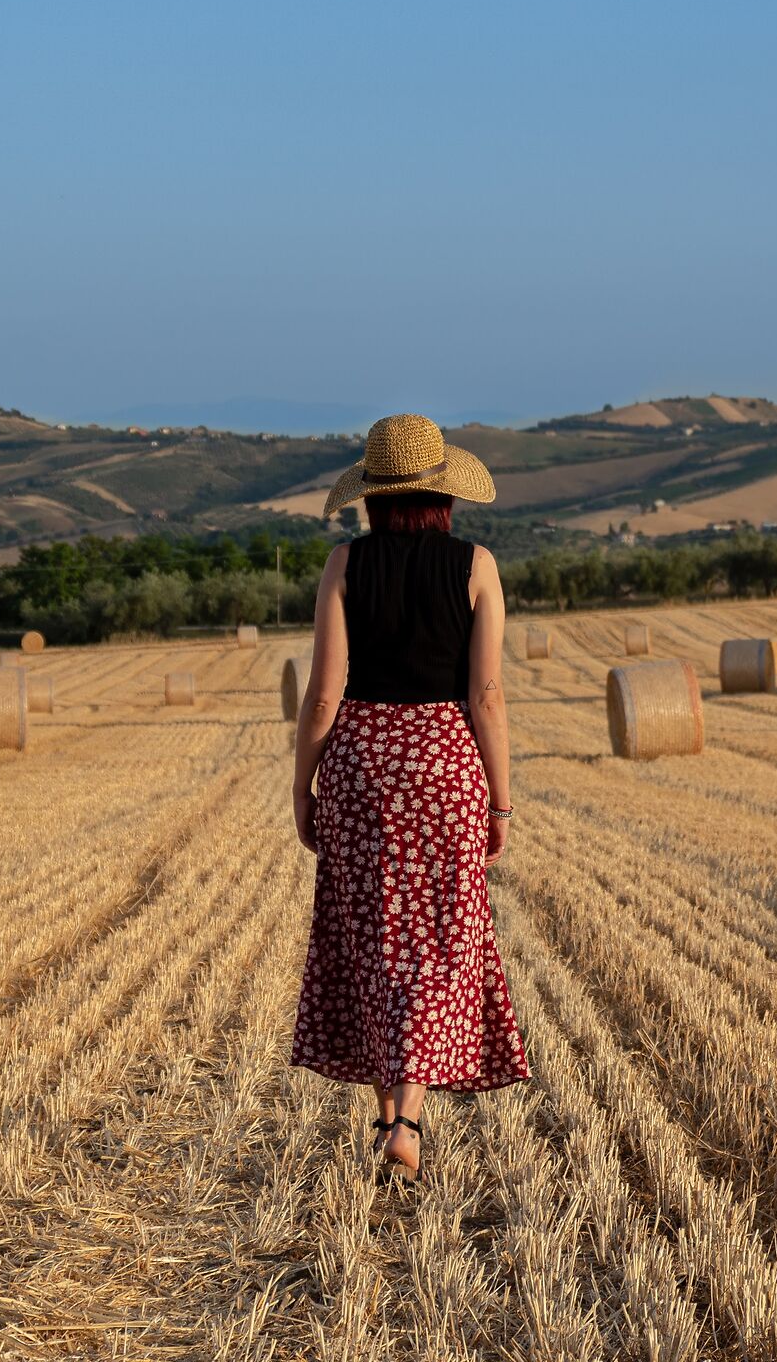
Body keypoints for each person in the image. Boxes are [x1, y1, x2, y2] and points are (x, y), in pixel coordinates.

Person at [289, 413, 530, 1179]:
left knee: (372, 934)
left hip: (363, 767)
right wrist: (499, 798)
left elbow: (324, 695)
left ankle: (389, 1112)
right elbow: (485, 695)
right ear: (444, 495)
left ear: (372, 497)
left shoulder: (344, 566)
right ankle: (411, 1118)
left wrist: (304, 785)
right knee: (436, 939)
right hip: (446, 767)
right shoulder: (476, 564)